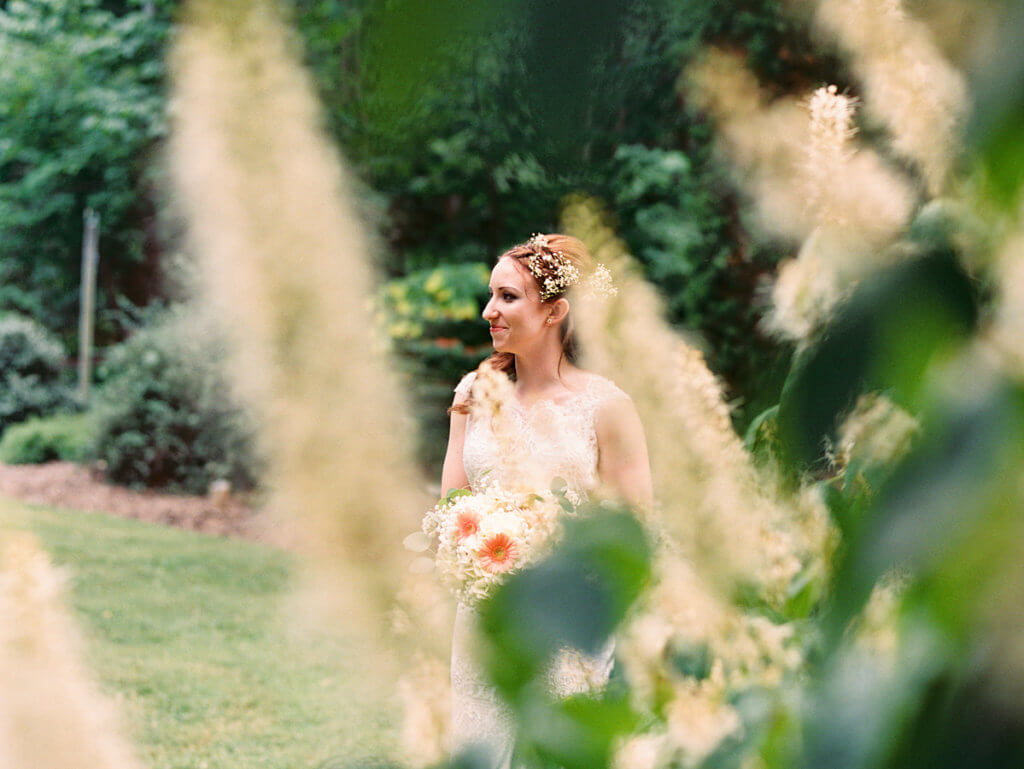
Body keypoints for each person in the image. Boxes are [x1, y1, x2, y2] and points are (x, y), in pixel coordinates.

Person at [440, 233, 652, 768]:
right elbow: (450, 508)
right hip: (484, 622)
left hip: (570, 626)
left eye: (508, 297)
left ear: (555, 310)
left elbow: (635, 529)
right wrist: (478, 555)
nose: (489, 311)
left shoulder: (608, 407)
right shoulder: (472, 394)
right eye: (491, 295)